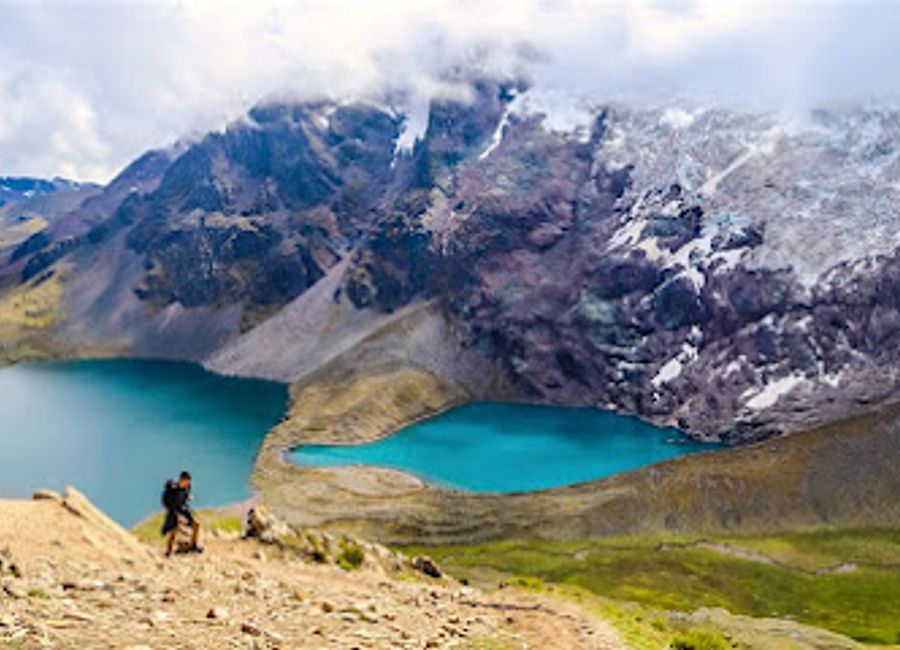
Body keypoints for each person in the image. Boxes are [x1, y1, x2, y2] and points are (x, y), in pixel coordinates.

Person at [161, 471, 203, 557]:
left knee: (196, 524)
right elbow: (167, 503)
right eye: (186, 481)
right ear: (182, 479)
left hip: (183, 509)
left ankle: (193, 546)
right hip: (173, 511)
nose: (187, 483)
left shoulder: (187, 487)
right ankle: (168, 551)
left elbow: (185, 496)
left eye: (188, 481)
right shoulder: (173, 489)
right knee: (174, 530)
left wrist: (188, 497)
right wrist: (177, 515)